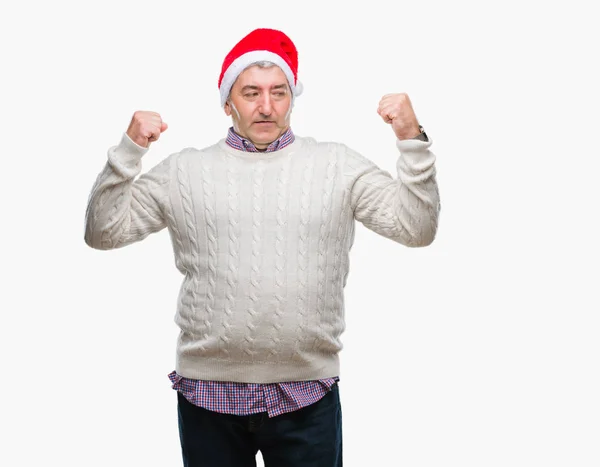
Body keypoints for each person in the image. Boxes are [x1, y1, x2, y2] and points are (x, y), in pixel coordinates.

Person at [84, 27, 440, 467]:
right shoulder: (185, 171)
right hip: (207, 398)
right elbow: (102, 232)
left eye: (279, 93)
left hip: (307, 397)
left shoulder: (337, 166)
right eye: (251, 92)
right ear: (227, 102)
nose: (266, 107)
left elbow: (416, 228)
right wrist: (129, 150)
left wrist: (410, 137)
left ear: (292, 98)